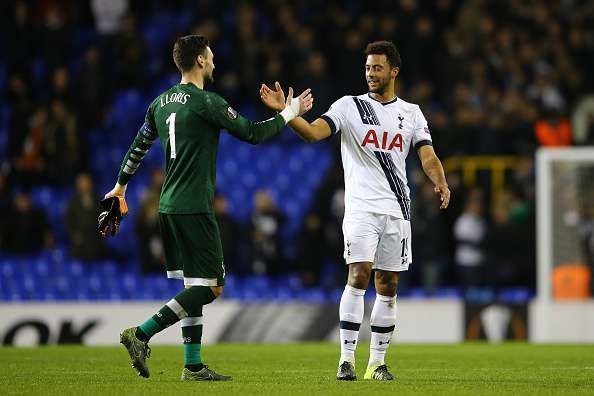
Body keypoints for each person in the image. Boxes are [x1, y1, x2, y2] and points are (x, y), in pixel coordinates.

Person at [102, 35, 313, 381]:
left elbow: (137, 147)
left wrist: (119, 187)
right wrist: (290, 112)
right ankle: (140, 334)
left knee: (193, 288)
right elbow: (252, 134)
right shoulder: (206, 102)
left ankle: (193, 365)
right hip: (194, 206)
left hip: (168, 206)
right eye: (211, 57)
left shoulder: (159, 103)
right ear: (200, 60)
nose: (214, 62)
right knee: (212, 287)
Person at [260, 40, 450, 381]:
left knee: (388, 283)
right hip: (361, 208)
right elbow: (315, 133)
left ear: (394, 71)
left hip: (398, 210)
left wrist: (440, 180)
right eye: (367, 68)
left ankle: (377, 363)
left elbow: (427, 155)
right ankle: (346, 359)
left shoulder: (411, 113)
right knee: (359, 274)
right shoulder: (349, 107)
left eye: (377, 68)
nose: (371, 74)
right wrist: (287, 114)